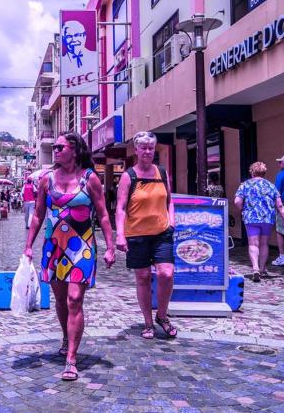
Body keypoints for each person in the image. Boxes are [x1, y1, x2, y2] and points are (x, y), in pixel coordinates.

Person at [24, 132, 115, 382]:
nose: (56, 150)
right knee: (61, 300)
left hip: (82, 247)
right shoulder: (47, 179)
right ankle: (66, 336)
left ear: (75, 150)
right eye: (54, 147)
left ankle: (71, 359)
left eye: (60, 147)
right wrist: (28, 245)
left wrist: (110, 247)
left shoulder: (90, 178)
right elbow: (37, 215)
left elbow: (103, 215)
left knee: (75, 299)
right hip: (54, 247)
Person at [115, 131, 176, 341]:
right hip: (137, 235)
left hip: (162, 233)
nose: (148, 152)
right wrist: (120, 235)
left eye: (151, 148)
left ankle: (162, 316)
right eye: (144, 148)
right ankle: (148, 322)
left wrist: (171, 221)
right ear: (137, 150)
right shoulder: (128, 176)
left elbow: (169, 200)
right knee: (143, 277)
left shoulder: (162, 172)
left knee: (166, 274)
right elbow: (121, 208)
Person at [234, 161, 284, 282]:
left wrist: (243, 209)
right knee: (264, 243)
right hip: (267, 218)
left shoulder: (245, 185)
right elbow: (280, 205)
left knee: (253, 243)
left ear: (252, 172)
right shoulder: (270, 186)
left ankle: (255, 268)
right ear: (264, 173)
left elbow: (237, 201)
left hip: (251, 218)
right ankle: (262, 269)